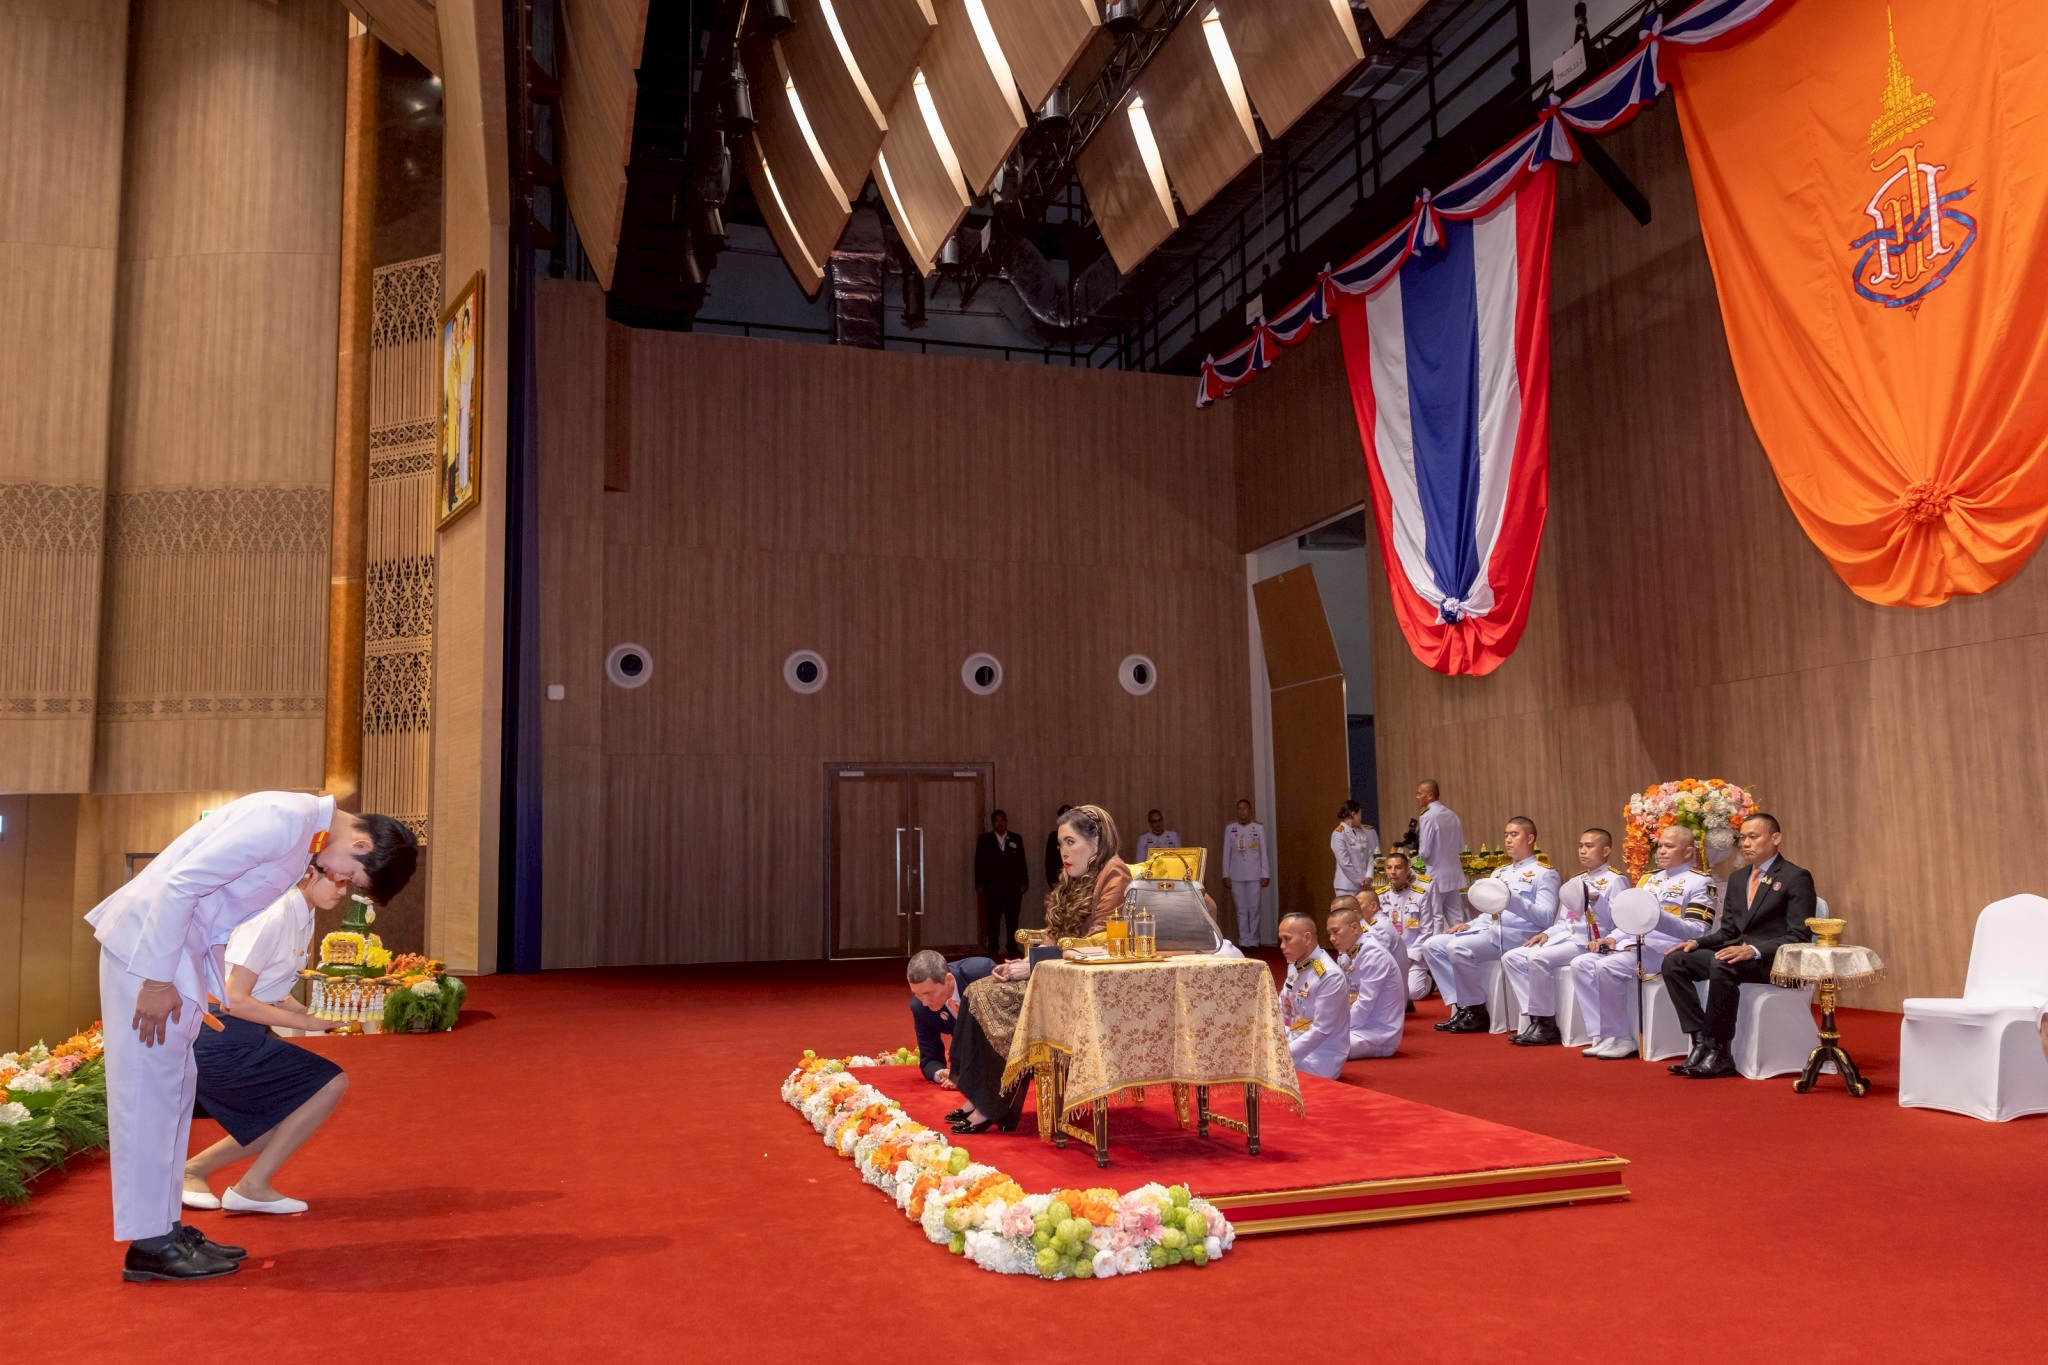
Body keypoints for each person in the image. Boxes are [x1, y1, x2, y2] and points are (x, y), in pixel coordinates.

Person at [87, 794, 417, 1282]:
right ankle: (150, 1245)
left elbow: (217, 912)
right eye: (351, 874)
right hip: (148, 955)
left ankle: (166, 1230)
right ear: (361, 844)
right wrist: (157, 981)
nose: (340, 880)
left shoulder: (301, 836)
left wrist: (200, 984)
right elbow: (180, 885)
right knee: (147, 1096)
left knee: (172, 1097)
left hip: (175, 959)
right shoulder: (283, 819)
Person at [181, 866, 354, 1215]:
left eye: (348, 882)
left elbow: (272, 991)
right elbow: (234, 999)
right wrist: (307, 1022)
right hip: (220, 1037)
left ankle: (195, 1172)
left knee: (288, 1111)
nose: (343, 891)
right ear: (310, 872)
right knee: (329, 1082)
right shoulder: (273, 914)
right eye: (339, 880)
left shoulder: (302, 913)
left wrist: (315, 1015)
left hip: (241, 1034)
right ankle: (249, 1186)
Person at [949, 805, 1132, 1134]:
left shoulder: (1115, 873)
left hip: (1084, 984)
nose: (1063, 852)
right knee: (976, 990)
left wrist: (1034, 965)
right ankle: (976, 1096)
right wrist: (1026, 962)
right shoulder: (1074, 876)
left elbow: (1099, 941)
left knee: (991, 998)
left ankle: (993, 1105)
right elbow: (1056, 934)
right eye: (1060, 844)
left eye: (1070, 842)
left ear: (1095, 841)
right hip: (1058, 972)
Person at [1663, 814, 1816, 1078]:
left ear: (1775, 838)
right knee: (1675, 961)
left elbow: (1798, 935)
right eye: (1743, 838)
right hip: (1736, 956)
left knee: (1722, 963)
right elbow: (1728, 932)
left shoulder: (1795, 877)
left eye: (1753, 837)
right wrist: (1697, 942)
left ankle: (1720, 1052)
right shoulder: (1739, 878)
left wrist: (1752, 950)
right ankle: (1700, 1042)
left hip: (1772, 960)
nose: (1745, 843)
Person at [1573, 824, 1715, 1060]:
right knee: (1581, 963)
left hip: (1669, 949)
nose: (1662, 851)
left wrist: (1657, 918)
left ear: (1688, 852)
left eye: (1669, 846)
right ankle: (1604, 1034)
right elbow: (1629, 918)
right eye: (1660, 846)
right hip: (1635, 943)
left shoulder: (1700, 882)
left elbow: (1697, 930)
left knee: (1607, 966)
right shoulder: (1648, 879)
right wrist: (1612, 937)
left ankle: (1622, 1037)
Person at [1422, 817, 1557, 1034]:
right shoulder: (1499, 873)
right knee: (1433, 945)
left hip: (1518, 935)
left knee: (1459, 947)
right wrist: (1469, 925)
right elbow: (1489, 913)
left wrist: (1512, 899)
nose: (1508, 840)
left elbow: (1547, 917)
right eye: (1506, 835)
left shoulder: (1545, 873)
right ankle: (1462, 1005)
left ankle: (1476, 1011)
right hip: (1490, 931)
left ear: (1530, 838)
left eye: (1514, 834)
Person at [1502, 828, 1627, 1047]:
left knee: (1537, 958)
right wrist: (1546, 933)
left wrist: (1596, 900)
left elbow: (1618, 922)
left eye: (1589, 846)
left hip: (1590, 941)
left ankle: (1546, 1025)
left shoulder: (1616, 880)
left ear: (1606, 851)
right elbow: (1564, 921)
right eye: (1580, 846)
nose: (1583, 851)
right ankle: (1535, 1016)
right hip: (1566, 937)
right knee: (1512, 957)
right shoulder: (1576, 880)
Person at [906, 950, 995, 1119]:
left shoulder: (981, 972)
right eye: (917, 993)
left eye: (928, 993)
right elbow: (929, 1059)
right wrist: (942, 1072)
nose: (924, 1002)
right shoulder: (919, 1007)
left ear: (948, 980)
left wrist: (970, 1071)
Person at [1326, 904, 1405, 1060]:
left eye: (1336, 931)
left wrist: (1335, 1027)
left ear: (1355, 928)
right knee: (1304, 1036)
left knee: (1320, 1046)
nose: (1332, 939)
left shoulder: (1373, 955)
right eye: (1329, 934)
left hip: (1375, 1033)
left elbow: (1365, 1004)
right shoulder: (1349, 952)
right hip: (1357, 1026)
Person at [1278, 912, 1350, 1080]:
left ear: (1307, 938)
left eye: (1287, 939)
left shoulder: (1329, 975)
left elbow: (1321, 1030)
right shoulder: (1295, 965)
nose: (1282, 946)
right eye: (1281, 939)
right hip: (1293, 1043)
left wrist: (1282, 1055)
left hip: (1319, 1055)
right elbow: (1284, 1010)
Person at [1376, 851, 1438, 1000]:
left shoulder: (1420, 895)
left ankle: (1431, 980)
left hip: (1413, 953)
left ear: (1407, 870)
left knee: (1413, 992)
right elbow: (1377, 930)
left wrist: (1410, 957)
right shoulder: (1380, 896)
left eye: (1398, 867)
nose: (1393, 872)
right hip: (1389, 954)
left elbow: (1427, 930)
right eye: (1389, 868)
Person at [973, 810, 1030, 958]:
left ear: (1006, 821)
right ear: (993, 823)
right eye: (997, 821)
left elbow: (1022, 862)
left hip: (1013, 887)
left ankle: (1012, 947)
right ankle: (993, 948)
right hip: (992, 888)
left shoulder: (1016, 839)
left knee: (1012, 919)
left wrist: (1024, 882)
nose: (1000, 824)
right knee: (992, 920)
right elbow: (978, 863)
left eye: (1002, 820)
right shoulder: (985, 840)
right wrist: (979, 884)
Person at [1415, 780, 1467, 924]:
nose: (1417, 797)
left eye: (1419, 793)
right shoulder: (1452, 815)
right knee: (1457, 918)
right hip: (1454, 873)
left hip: (1436, 875)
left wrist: (1418, 856)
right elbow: (1461, 847)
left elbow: (1425, 851)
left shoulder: (1427, 816)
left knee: (1433, 917)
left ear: (1430, 795)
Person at [1222, 799, 1272, 946]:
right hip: (1236, 874)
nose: (1242, 811)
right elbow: (1226, 852)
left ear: (1250, 810)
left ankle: (1254, 940)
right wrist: (1226, 874)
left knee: (1254, 908)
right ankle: (1244, 940)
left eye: (1245, 808)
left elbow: (1264, 852)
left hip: (1254, 874)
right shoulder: (1230, 828)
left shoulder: (1258, 828)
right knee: (1241, 909)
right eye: (1239, 808)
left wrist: (1265, 873)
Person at [1330, 800, 1379, 899]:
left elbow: (1372, 856)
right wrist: (1361, 881)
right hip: (1347, 886)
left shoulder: (1366, 831)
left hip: (1367, 884)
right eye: (1359, 814)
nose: (1361, 818)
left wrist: (1369, 877)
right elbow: (1345, 863)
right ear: (1353, 814)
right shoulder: (1338, 834)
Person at [1043, 803, 1073, 890]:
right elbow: (1049, 861)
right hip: (1059, 879)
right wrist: (1052, 881)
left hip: (1076, 879)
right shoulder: (1053, 838)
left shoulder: (1080, 836)